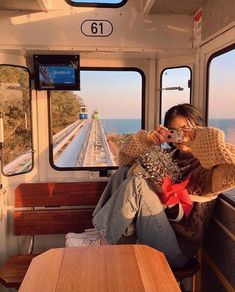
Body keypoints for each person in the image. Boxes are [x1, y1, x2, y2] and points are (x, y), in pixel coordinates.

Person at [66, 103, 235, 268]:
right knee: (124, 172)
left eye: (186, 129)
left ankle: (102, 242)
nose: (181, 135)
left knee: (137, 184)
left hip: (177, 249)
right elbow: (123, 160)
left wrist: (198, 140)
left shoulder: (209, 168)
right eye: (174, 130)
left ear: (199, 128)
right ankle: (99, 233)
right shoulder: (168, 156)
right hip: (153, 227)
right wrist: (148, 141)